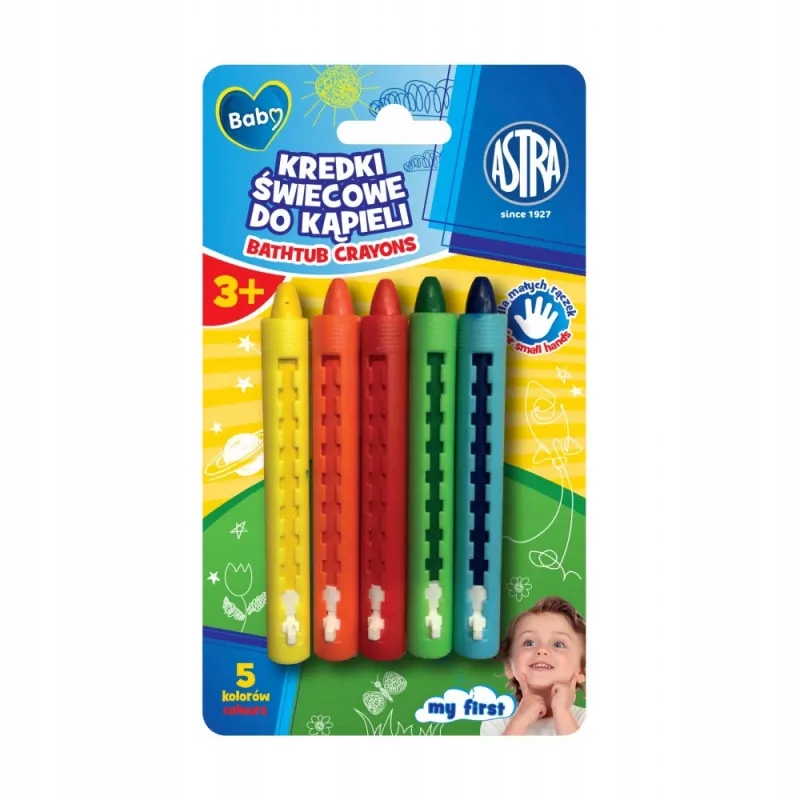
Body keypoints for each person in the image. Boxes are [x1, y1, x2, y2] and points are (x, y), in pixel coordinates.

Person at [481, 595, 586, 735]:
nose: (542, 650)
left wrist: (562, 712)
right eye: (529, 643)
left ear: (582, 671)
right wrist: (520, 721)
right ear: (509, 666)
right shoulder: (497, 722)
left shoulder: (586, 720)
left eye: (558, 644)